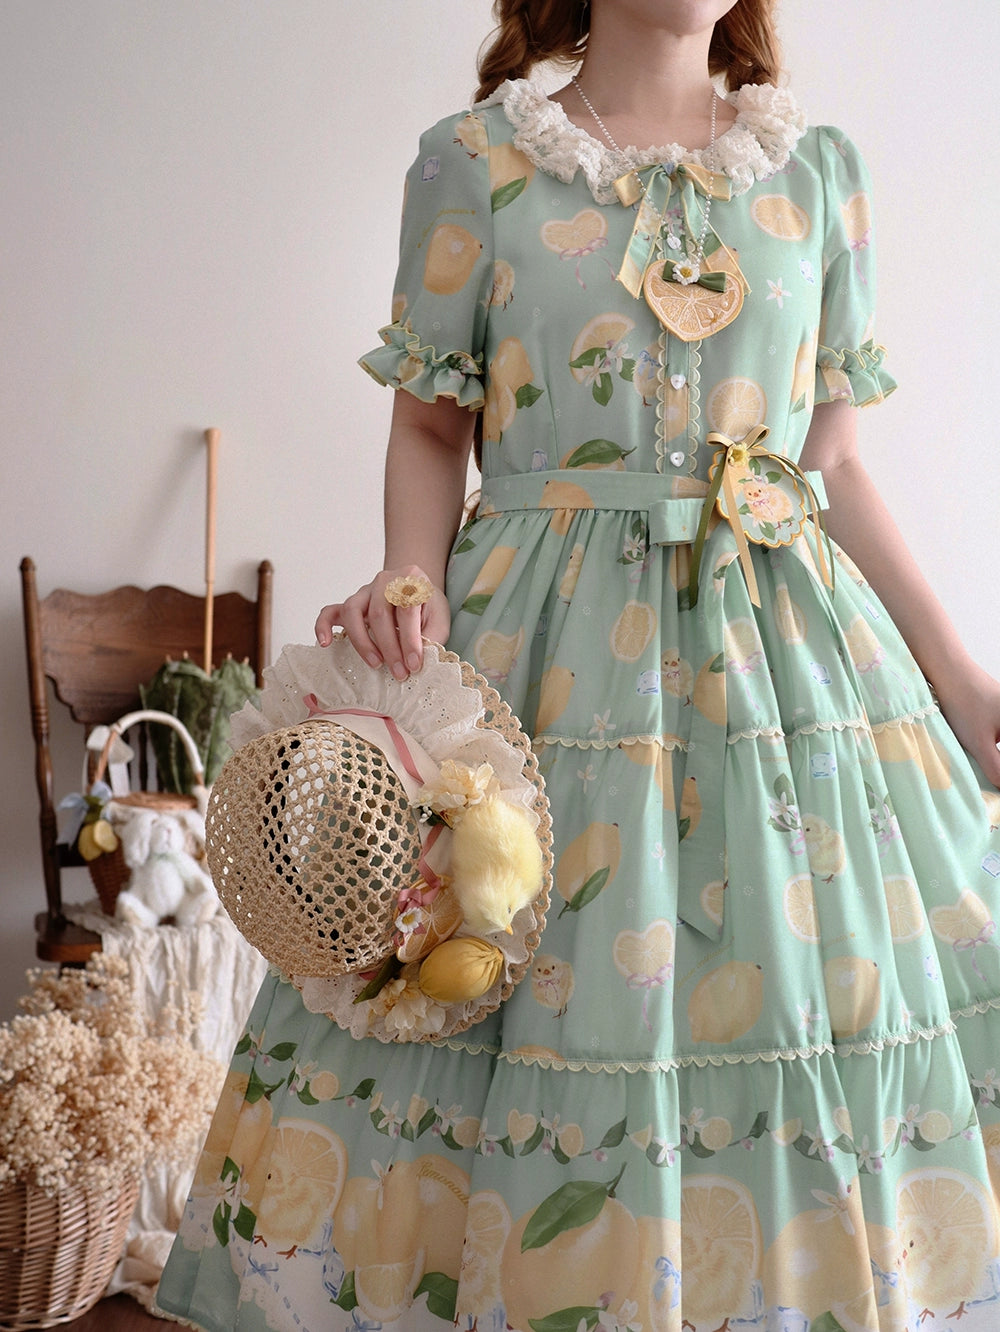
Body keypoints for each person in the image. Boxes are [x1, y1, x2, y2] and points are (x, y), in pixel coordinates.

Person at [158, 2, 1000, 1328]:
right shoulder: (474, 162)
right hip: (540, 664)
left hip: (782, 675)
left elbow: (832, 461)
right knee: (508, 983)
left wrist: (963, 677)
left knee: (796, 1003)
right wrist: (411, 579)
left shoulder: (819, 170)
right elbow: (430, 427)